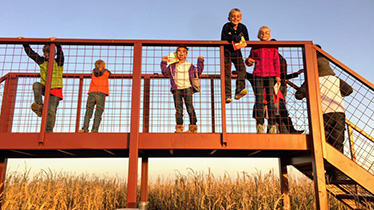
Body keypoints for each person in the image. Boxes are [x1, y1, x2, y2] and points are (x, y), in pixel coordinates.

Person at [295, 45, 353, 152]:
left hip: (321, 114)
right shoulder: (335, 79)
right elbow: (349, 90)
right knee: (338, 144)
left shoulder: (312, 80)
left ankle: (327, 165)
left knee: (324, 144)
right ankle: (336, 167)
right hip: (338, 112)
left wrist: (308, 92)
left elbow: (298, 95)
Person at [19, 36, 64, 133]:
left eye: (49, 53)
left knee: (51, 111)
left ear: (54, 53)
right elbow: (31, 54)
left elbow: (61, 54)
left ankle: (48, 132)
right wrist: (24, 42)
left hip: (56, 90)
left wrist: (57, 43)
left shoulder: (58, 62)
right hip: (45, 87)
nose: (47, 55)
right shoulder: (42, 61)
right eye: (46, 53)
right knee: (36, 85)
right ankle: (39, 106)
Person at [160, 46, 204, 133]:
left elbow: (198, 71)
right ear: (176, 54)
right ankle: (179, 128)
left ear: (186, 54)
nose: (181, 53)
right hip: (177, 89)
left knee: (190, 107)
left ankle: (193, 127)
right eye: (179, 51)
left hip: (187, 88)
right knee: (178, 109)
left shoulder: (189, 65)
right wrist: (164, 62)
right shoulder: (172, 66)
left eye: (183, 51)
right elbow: (165, 72)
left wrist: (200, 61)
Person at [245, 26, 280, 133]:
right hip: (258, 74)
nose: (264, 34)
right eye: (262, 33)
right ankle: (260, 125)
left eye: (266, 33)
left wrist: (278, 76)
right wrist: (249, 61)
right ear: (258, 35)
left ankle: (272, 125)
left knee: (270, 101)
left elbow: (276, 62)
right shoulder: (255, 47)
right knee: (259, 100)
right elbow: (249, 60)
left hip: (270, 75)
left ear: (270, 35)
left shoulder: (273, 48)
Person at [221, 8, 249, 103]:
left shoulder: (243, 28)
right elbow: (223, 38)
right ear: (229, 18)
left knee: (242, 69)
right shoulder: (226, 26)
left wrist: (240, 38)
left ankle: (239, 89)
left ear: (240, 18)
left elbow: (247, 39)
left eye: (237, 16)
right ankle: (227, 94)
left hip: (237, 51)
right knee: (226, 72)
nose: (235, 18)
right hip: (226, 52)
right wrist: (231, 38)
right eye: (233, 16)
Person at [79, 60, 111, 133]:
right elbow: (110, 74)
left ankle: (85, 128)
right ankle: (95, 129)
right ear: (104, 66)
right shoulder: (106, 72)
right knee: (98, 112)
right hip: (101, 93)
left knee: (89, 111)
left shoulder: (93, 72)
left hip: (92, 93)